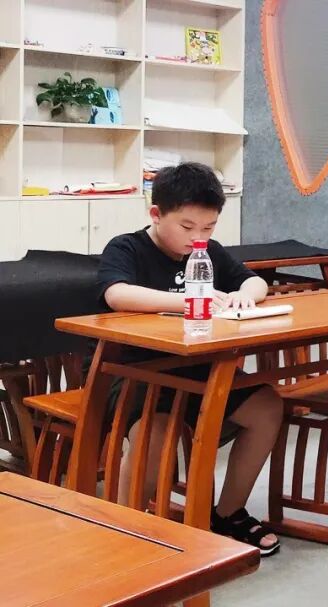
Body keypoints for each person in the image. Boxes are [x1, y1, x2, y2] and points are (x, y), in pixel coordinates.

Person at [97, 162, 284, 556]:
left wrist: (244, 295)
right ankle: (125, 529)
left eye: (209, 228)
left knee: (266, 406)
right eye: (187, 227)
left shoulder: (209, 253)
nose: (198, 238)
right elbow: (117, 294)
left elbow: (254, 280)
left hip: (198, 367)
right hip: (137, 370)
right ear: (156, 214)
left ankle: (228, 514)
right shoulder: (127, 248)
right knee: (156, 430)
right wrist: (187, 300)